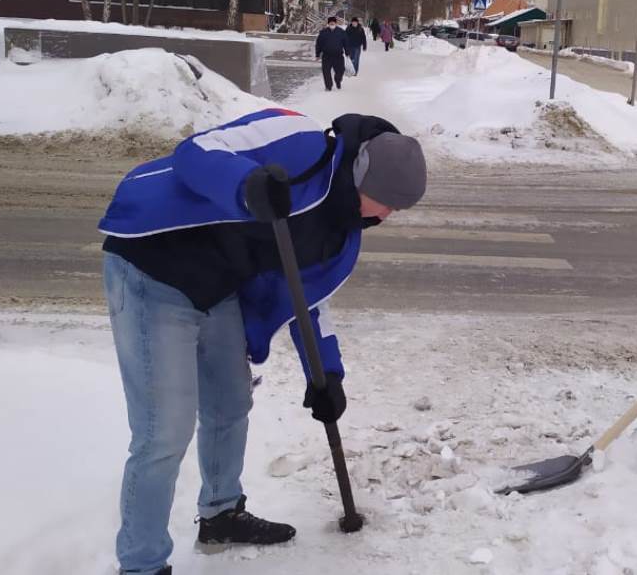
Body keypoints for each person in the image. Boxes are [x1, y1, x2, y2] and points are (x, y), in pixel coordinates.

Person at [99, 108, 428, 575]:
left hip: (219, 287)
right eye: (388, 202)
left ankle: (221, 513)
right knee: (163, 432)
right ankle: (141, 564)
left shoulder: (341, 231)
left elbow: (310, 298)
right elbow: (196, 152)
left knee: (230, 404)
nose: (389, 215)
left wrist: (327, 375)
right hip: (152, 263)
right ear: (362, 177)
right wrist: (246, 185)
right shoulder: (300, 140)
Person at [315, 16, 348, 91]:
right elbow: (319, 44)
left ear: (336, 23)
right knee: (326, 71)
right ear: (328, 23)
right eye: (330, 22)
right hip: (327, 56)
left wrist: (347, 52)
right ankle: (328, 86)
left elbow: (346, 43)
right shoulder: (323, 32)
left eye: (333, 22)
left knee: (340, 70)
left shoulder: (341, 32)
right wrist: (317, 54)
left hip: (338, 56)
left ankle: (338, 80)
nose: (332, 23)